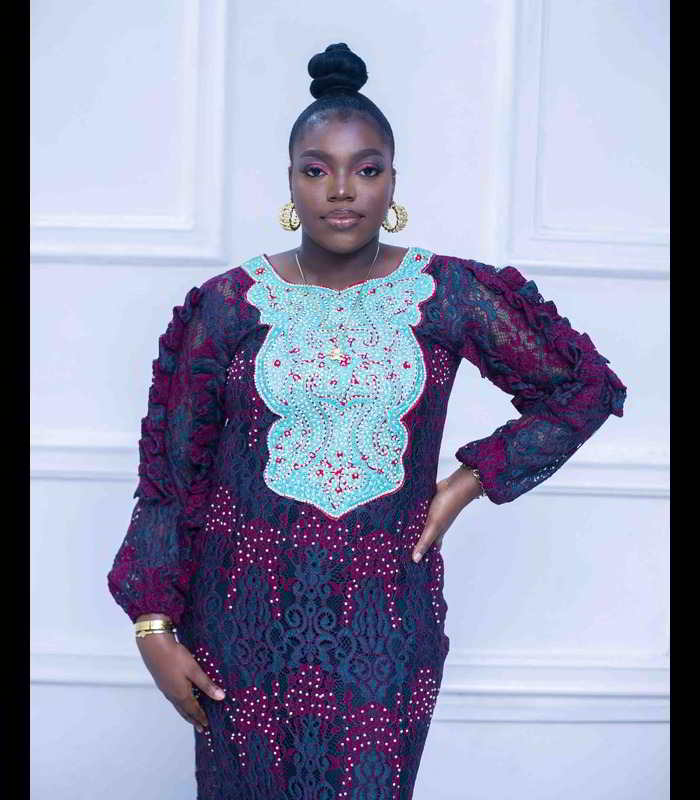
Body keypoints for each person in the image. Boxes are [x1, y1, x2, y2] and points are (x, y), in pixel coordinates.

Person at [107, 42, 627, 799]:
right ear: (290, 182)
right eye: (317, 170)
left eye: (367, 169)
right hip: (240, 623)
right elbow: (171, 475)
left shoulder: (447, 295)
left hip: (383, 622)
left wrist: (465, 485)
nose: (342, 190)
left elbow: (581, 388)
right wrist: (153, 627)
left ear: (393, 183)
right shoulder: (227, 306)